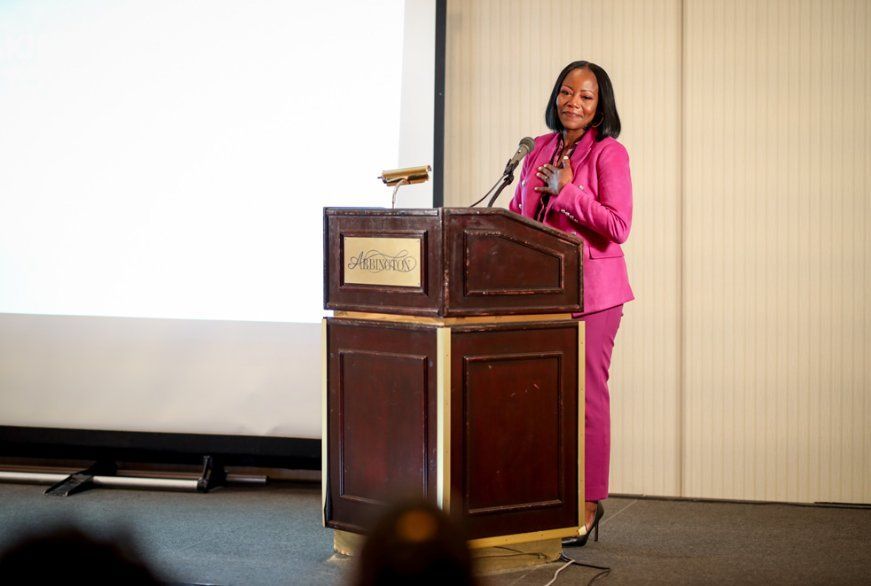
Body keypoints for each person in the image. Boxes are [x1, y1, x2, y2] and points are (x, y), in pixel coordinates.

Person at [508, 60, 633, 547]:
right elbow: (521, 214)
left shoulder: (609, 153)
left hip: (594, 296)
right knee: (540, 398)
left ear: (600, 106)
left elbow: (618, 225)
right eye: (566, 92)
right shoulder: (538, 147)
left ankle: (588, 500)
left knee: (585, 399)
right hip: (541, 294)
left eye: (585, 96)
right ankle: (543, 495)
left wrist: (568, 191)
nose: (572, 103)